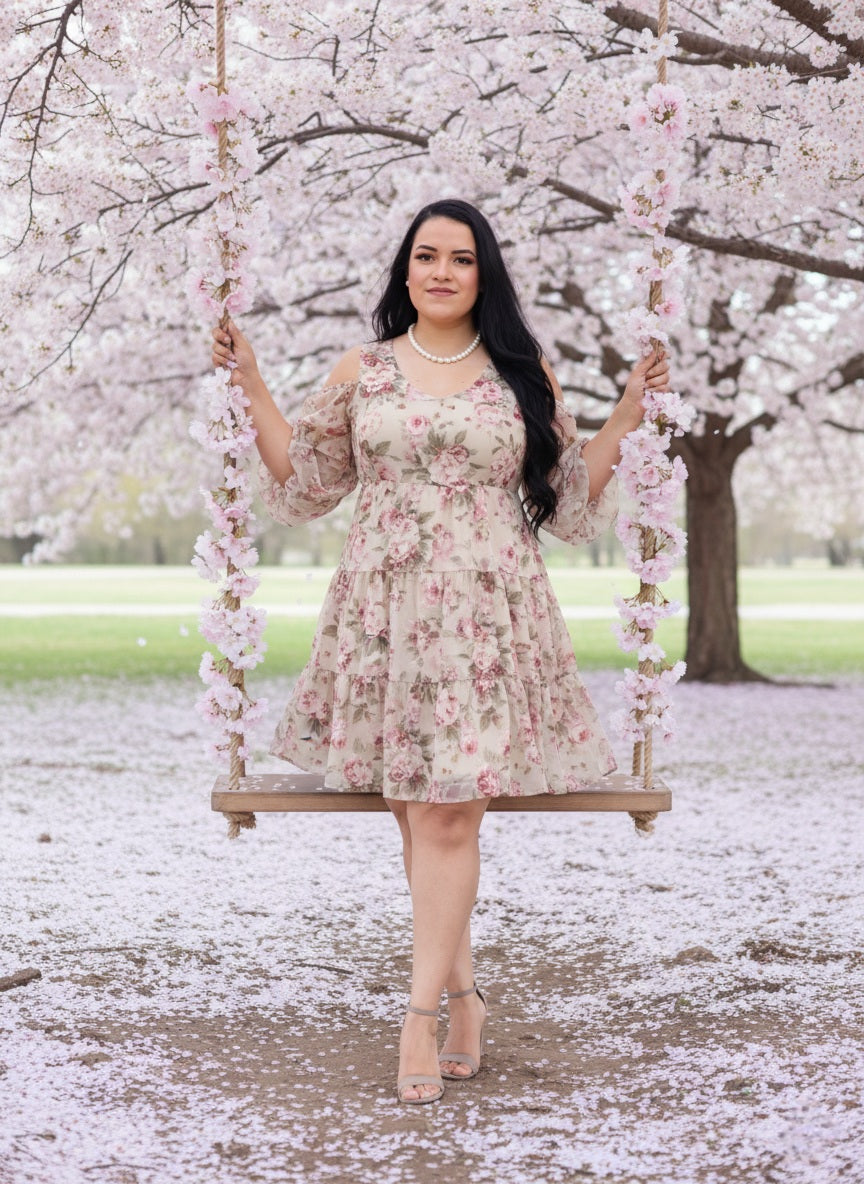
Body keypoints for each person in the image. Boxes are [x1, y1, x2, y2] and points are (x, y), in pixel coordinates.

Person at [210, 198, 671, 1105]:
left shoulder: (520, 374)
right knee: (419, 816)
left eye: (462, 258)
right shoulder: (366, 370)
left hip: (491, 622)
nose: (442, 271)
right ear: (406, 270)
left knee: (453, 817)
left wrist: (627, 412)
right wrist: (254, 384)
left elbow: (571, 499)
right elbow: (306, 485)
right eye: (427, 256)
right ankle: (463, 997)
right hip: (387, 621)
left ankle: (418, 1020)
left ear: (483, 274)